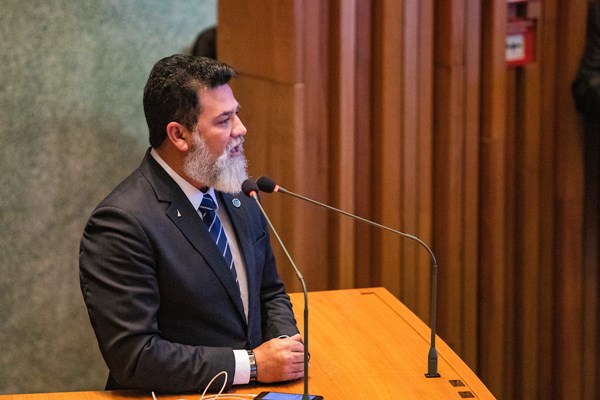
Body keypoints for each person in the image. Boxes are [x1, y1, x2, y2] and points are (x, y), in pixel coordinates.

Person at [79, 54, 304, 393]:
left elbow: (269, 291)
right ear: (179, 135)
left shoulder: (238, 192)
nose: (241, 129)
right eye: (224, 120)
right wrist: (253, 365)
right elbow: (135, 357)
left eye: (236, 114)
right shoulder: (121, 223)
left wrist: (285, 348)